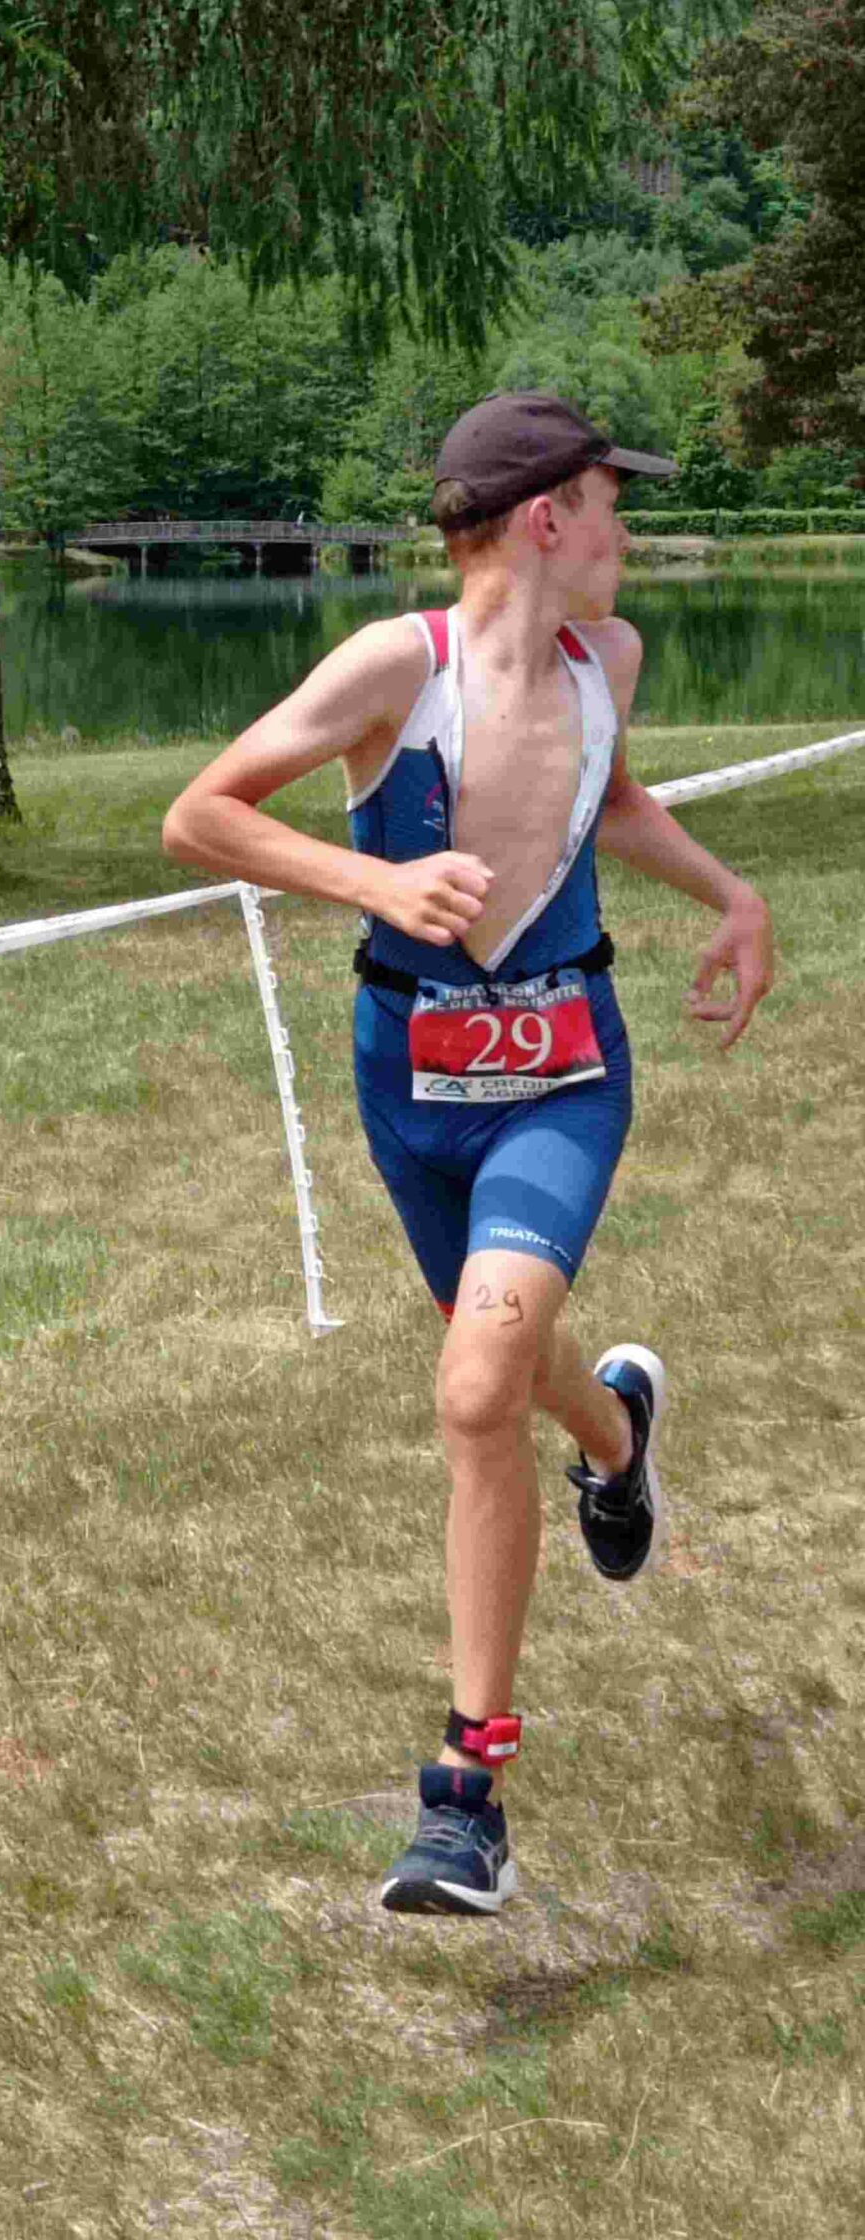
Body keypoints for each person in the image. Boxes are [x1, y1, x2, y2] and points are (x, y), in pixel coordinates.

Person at [161, 391, 775, 1916]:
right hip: (409, 1085)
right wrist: (371, 879)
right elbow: (201, 816)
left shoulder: (609, 659)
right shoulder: (397, 667)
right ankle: (619, 1440)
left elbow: (607, 800)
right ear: (546, 519)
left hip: (566, 1071)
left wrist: (734, 897)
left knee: (475, 1382)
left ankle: (466, 1793)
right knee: (498, 1360)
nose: (626, 530)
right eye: (612, 502)